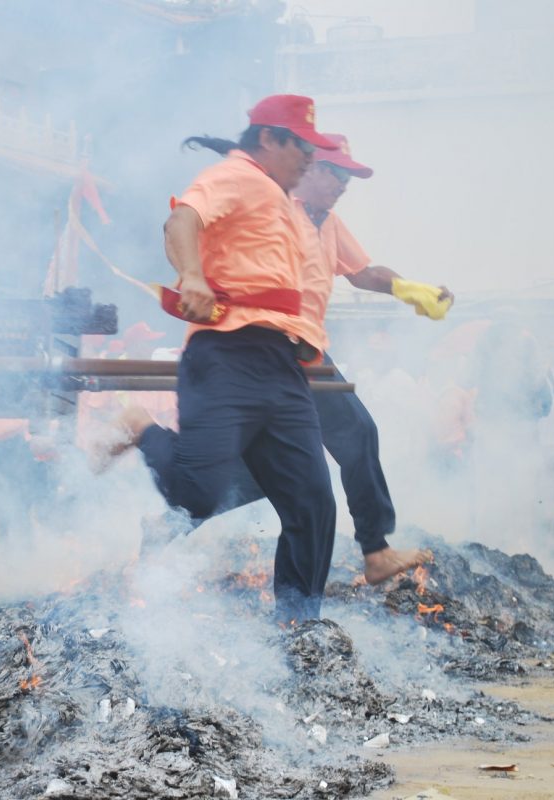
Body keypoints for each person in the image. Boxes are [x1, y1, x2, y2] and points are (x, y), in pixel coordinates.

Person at [102, 94, 341, 622]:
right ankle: (141, 428)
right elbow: (182, 221)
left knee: (313, 503)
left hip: (280, 366)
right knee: (196, 494)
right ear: (269, 139)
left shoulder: (281, 199)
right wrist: (192, 276)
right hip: (226, 357)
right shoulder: (236, 174)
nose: (309, 158)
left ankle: (299, 628)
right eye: (301, 146)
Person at [175, 133, 448, 583]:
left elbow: (362, 273)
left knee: (288, 463)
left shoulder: (329, 223)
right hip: (265, 350)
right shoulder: (277, 209)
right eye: (335, 174)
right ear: (309, 169)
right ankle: (375, 550)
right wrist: (193, 279)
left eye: (348, 178)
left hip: (305, 352)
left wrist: (409, 288)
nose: (343, 184)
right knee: (339, 440)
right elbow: (196, 225)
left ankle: (175, 520)